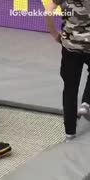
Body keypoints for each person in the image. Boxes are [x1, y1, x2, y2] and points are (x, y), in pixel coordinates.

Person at [45, 0, 90, 142]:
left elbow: (48, 12)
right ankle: (87, 103)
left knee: (70, 88)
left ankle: (70, 134)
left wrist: (54, 34)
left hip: (69, 47)